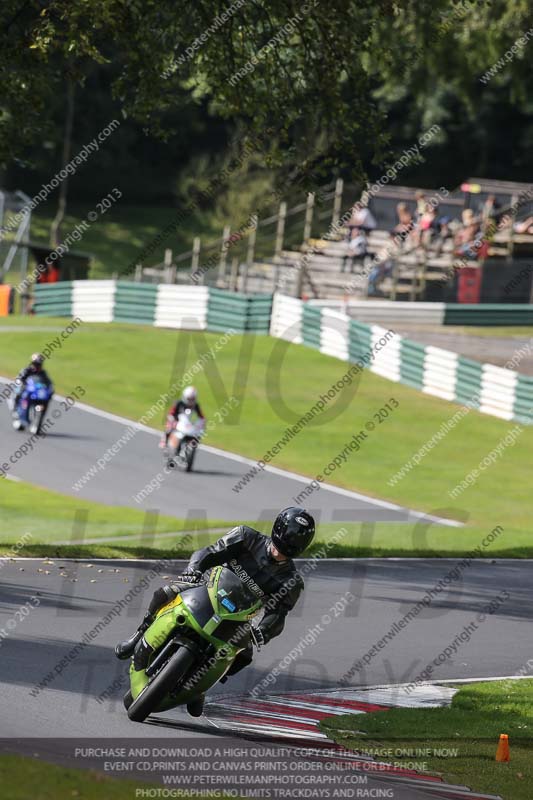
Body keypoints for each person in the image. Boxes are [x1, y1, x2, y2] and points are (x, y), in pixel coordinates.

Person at [115, 507, 315, 717]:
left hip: (239, 618)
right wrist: (194, 569)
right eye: (279, 545)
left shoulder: (291, 581)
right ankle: (138, 635)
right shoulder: (246, 536)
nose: (279, 552)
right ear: (276, 532)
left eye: (288, 548)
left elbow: (278, 615)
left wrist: (263, 631)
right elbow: (210, 552)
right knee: (166, 593)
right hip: (207, 591)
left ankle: (199, 688)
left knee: (244, 655)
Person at [10, 353, 53, 429]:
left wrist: (50, 389)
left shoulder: (43, 373)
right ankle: (15, 410)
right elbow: (20, 378)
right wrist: (22, 382)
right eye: (36, 364)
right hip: (27, 389)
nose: (37, 366)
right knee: (18, 393)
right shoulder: (27, 370)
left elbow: (48, 382)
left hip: (37, 392)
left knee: (47, 399)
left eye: (39, 364)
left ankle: (38, 420)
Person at [160, 385, 205, 450]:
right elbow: (172, 412)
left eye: (192, 399)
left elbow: (201, 416)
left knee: (198, 433)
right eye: (189, 399)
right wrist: (172, 418)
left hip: (187, 422)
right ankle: (165, 440)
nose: (190, 401)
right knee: (170, 427)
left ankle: (191, 445)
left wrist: (200, 423)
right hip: (177, 419)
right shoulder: (179, 403)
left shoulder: (196, 405)